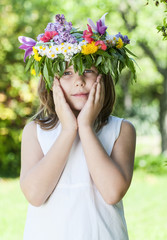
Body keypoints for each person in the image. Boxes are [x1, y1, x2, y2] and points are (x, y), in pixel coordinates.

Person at [19, 13, 136, 240]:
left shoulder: (122, 130)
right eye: (67, 73)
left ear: (103, 77)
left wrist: (85, 127)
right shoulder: (35, 132)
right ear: (51, 82)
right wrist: (68, 130)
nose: (79, 80)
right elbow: (34, 195)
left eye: (88, 70)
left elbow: (112, 193)